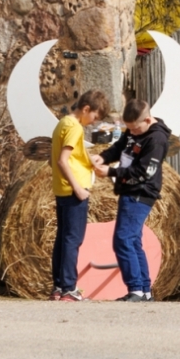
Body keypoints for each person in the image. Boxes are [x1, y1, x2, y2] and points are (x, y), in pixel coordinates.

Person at [101, 98, 172, 302]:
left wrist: (111, 172)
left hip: (141, 192)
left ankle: (136, 289)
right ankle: (144, 290)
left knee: (123, 239)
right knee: (133, 240)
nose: (132, 132)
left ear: (147, 120)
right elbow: (120, 146)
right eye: (128, 128)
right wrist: (103, 157)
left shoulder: (156, 139)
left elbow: (144, 172)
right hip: (128, 191)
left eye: (135, 128)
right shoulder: (133, 132)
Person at [49, 90, 110, 301]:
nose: (93, 122)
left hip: (61, 188)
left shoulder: (63, 123)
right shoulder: (75, 128)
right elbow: (63, 160)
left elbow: (67, 157)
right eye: (94, 117)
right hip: (74, 190)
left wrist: (87, 158)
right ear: (86, 109)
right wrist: (78, 188)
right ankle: (68, 287)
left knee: (63, 239)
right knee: (73, 239)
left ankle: (58, 286)